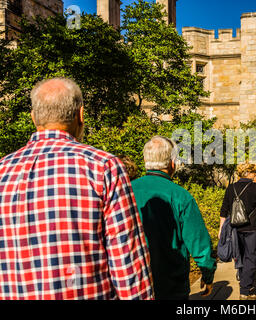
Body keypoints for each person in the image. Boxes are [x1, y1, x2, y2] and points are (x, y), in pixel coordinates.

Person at [0, 78, 153, 300]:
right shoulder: (103, 167)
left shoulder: (3, 171)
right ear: (81, 115)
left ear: (34, 118)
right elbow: (127, 264)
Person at [131, 136, 216, 300]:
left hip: (134, 280)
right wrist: (207, 273)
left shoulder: (126, 191)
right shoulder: (181, 196)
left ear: (145, 160)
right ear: (172, 163)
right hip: (171, 283)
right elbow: (198, 241)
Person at [219, 161, 256, 300]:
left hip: (235, 228)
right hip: (252, 227)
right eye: (255, 173)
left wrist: (221, 229)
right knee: (250, 257)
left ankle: (243, 278)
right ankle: (244, 290)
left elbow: (224, 209)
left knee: (240, 255)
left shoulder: (231, 188)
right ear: (249, 173)